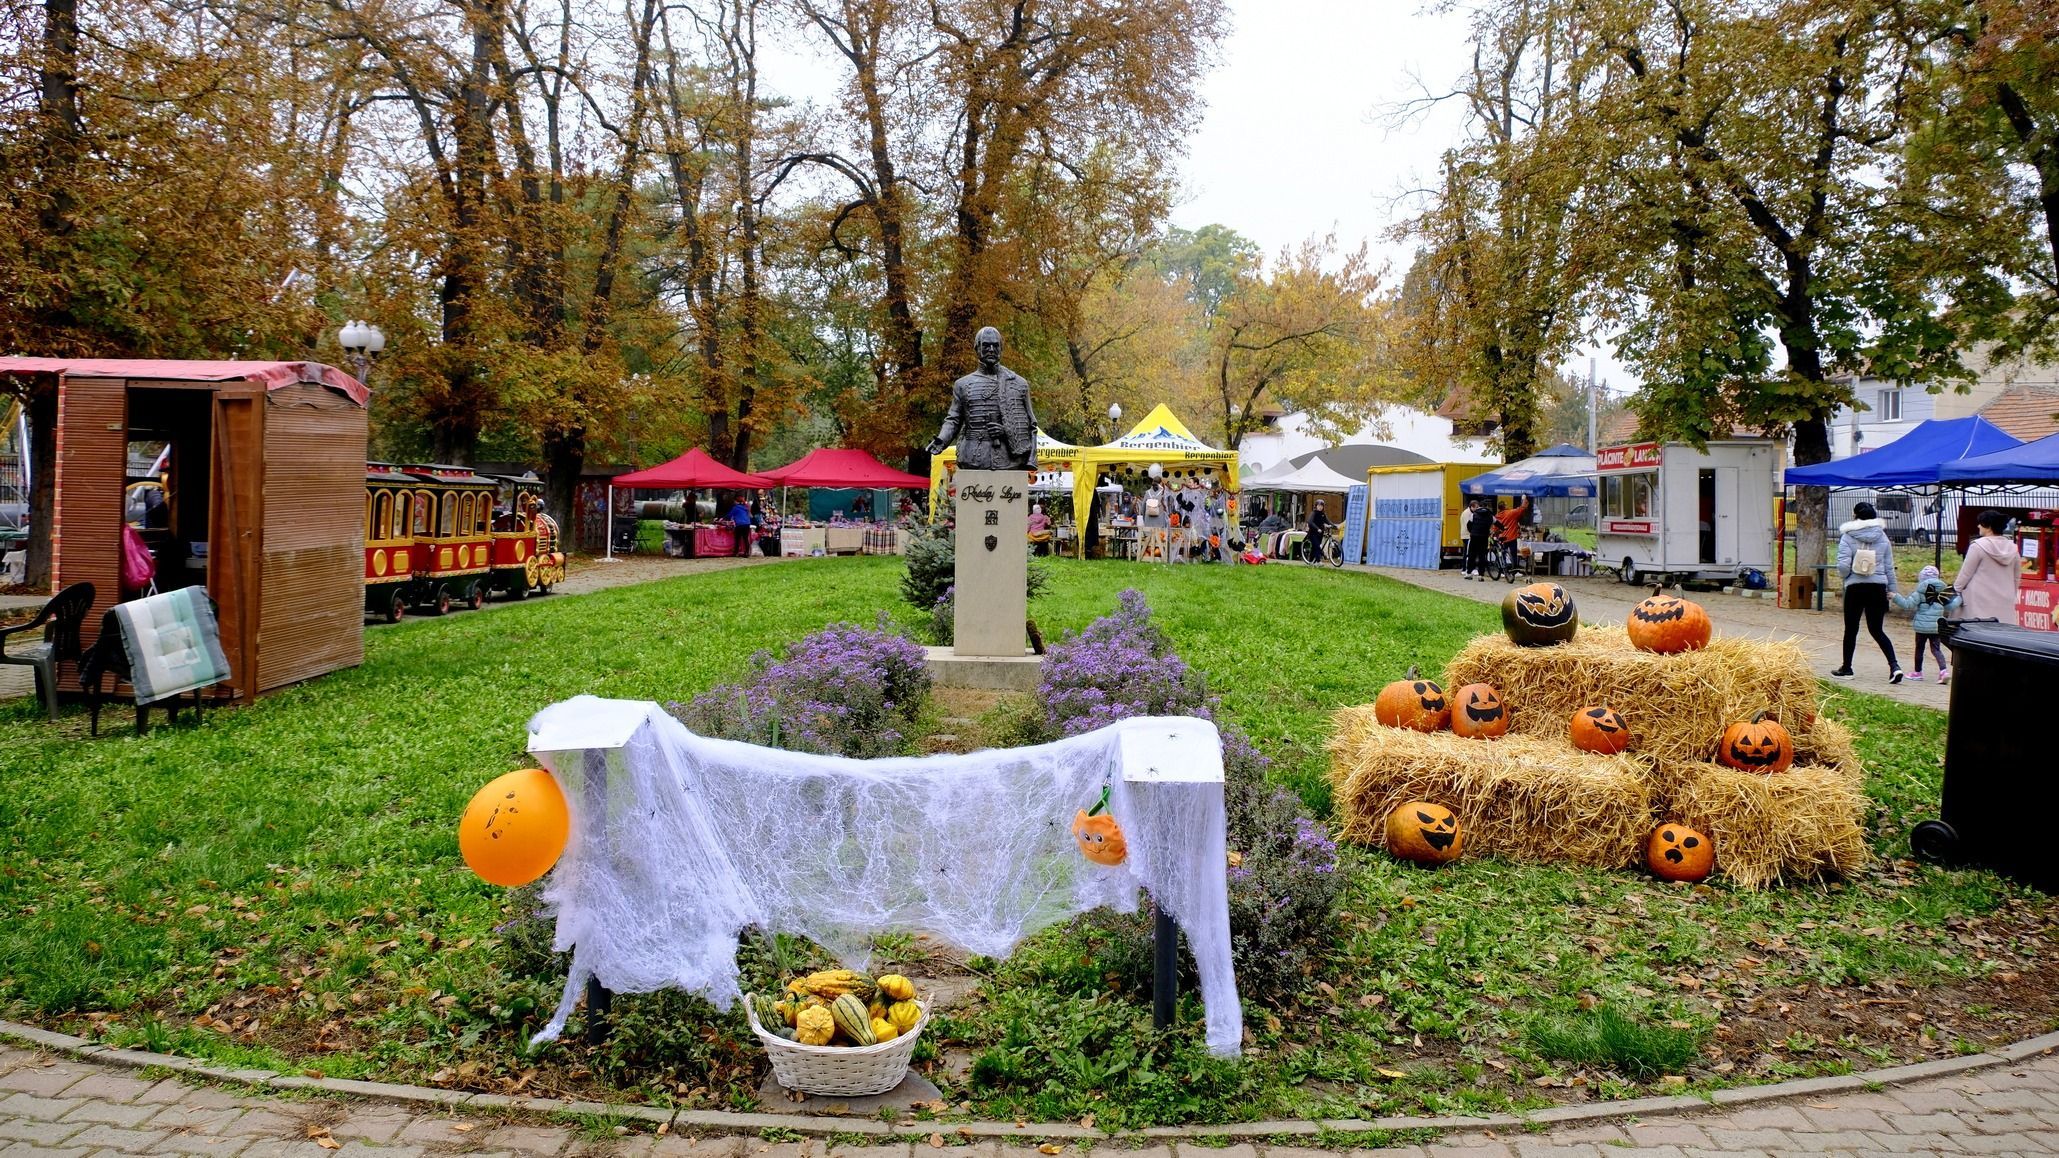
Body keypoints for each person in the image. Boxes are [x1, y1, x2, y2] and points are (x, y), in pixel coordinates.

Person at [925, 327, 1038, 470]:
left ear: (1001, 349)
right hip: (973, 455)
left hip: (1008, 458)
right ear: (977, 348)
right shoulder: (962, 384)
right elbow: (953, 419)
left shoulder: (1018, 383)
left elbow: (1030, 424)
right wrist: (941, 440)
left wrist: (1007, 431)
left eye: (995, 345)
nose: (991, 349)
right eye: (985, 345)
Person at [1831, 500, 1902, 683]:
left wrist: (1845, 576)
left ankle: (1847, 667)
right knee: (1877, 630)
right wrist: (1892, 591)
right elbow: (1888, 567)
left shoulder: (1848, 536)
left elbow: (1843, 566)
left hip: (1855, 587)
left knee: (1851, 629)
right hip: (1877, 587)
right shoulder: (1883, 537)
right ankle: (1894, 666)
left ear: (1855, 516)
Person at [1893, 564, 1961, 683]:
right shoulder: (1942, 593)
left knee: (1919, 649)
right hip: (1936, 626)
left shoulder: (1920, 593)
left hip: (1921, 628)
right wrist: (1959, 598)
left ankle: (1918, 672)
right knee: (1936, 649)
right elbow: (1951, 606)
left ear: (1922, 579)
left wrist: (1895, 597)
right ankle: (1943, 671)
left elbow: (1907, 604)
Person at [1953, 509, 2021, 624]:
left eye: (1981, 523)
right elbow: (2016, 577)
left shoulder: (1977, 546)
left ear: (1988, 526)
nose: (1978, 526)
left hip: (1978, 600)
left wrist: (1956, 589)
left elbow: (1966, 574)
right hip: (2004, 601)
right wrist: (2012, 595)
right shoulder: (2013, 549)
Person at [1492, 496, 1531, 575]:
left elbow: (1495, 529)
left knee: (1502, 554)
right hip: (1511, 537)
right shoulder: (1511, 513)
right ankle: (1514, 571)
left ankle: (1503, 571)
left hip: (1502, 538)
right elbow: (1522, 508)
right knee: (1513, 555)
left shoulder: (1497, 516)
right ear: (1505, 506)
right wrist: (1525, 498)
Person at [1463, 498, 1492, 578]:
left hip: (1474, 537)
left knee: (1472, 555)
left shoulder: (1474, 514)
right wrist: (1503, 528)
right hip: (1484, 537)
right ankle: (1481, 575)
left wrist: (1472, 532)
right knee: (1482, 555)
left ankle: (1469, 573)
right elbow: (1497, 523)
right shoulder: (1489, 515)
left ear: (1479, 506)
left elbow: (1469, 525)